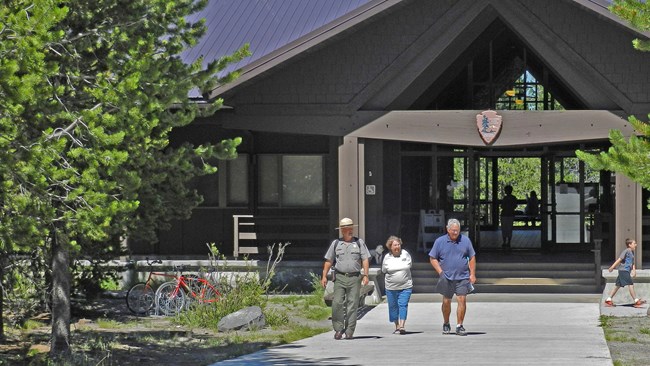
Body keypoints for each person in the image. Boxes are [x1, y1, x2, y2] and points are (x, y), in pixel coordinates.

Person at [321, 217, 370, 340]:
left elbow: (365, 259)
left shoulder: (359, 243)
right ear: (342, 230)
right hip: (340, 276)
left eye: (351, 228)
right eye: (347, 228)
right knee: (337, 303)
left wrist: (365, 275)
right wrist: (324, 276)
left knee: (352, 304)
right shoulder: (336, 243)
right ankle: (338, 329)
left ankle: (349, 331)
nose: (350, 230)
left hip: (355, 277)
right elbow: (329, 260)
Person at [429, 218, 476, 336]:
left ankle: (459, 325)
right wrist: (440, 272)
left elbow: (472, 257)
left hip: (462, 277)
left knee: (462, 300)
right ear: (448, 229)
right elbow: (433, 258)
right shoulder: (440, 241)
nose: (455, 233)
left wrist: (472, 274)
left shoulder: (465, 241)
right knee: (446, 301)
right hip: (447, 277)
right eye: (453, 230)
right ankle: (446, 322)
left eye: (458, 230)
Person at [381, 236, 413, 335]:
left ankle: (402, 326)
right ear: (390, 247)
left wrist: (395, 268)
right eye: (395, 245)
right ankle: (397, 326)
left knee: (403, 305)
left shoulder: (405, 254)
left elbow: (409, 265)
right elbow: (384, 270)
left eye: (398, 244)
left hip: (405, 286)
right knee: (393, 307)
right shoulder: (387, 257)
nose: (397, 246)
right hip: (391, 287)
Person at [604, 238, 645, 307]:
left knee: (617, 286)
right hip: (623, 270)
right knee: (630, 284)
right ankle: (636, 300)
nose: (636, 245)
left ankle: (608, 299)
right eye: (634, 243)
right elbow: (619, 259)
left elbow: (632, 263)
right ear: (629, 245)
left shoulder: (632, 252)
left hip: (626, 271)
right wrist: (612, 267)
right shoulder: (626, 251)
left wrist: (634, 271)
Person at [500, 185, 517, 250]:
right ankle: (508, 242)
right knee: (509, 228)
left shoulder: (505, 198)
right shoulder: (514, 198)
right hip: (510, 214)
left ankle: (504, 242)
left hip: (504, 214)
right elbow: (515, 206)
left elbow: (502, 206)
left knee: (504, 228)